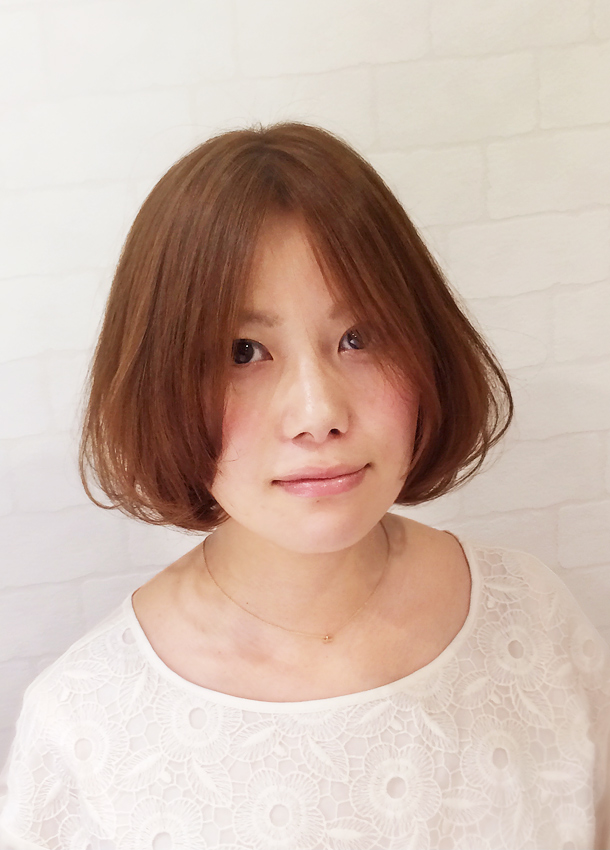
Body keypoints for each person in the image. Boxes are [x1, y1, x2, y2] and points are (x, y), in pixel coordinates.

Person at [0, 122, 608, 850]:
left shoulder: (531, 617)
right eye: (243, 352)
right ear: (161, 381)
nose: (319, 414)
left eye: (359, 338)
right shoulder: (90, 724)